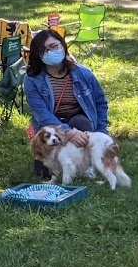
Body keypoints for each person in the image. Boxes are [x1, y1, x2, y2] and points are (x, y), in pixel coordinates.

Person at [24, 29, 110, 177]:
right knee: (43, 173)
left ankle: (85, 163)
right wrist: (67, 132)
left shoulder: (84, 74)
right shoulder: (32, 79)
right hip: (50, 127)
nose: (50, 51)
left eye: (53, 46)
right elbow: (42, 114)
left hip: (79, 122)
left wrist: (101, 133)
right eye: (43, 50)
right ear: (38, 55)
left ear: (63, 45)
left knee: (81, 121)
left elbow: (100, 103)